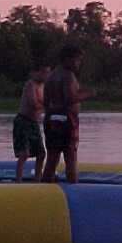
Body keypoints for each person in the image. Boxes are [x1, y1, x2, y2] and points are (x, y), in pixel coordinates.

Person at [42, 43, 96, 184]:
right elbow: (70, 98)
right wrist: (88, 94)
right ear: (67, 59)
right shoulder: (68, 75)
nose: (79, 63)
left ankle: (45, 188)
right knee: (70, 157)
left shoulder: (51, 76)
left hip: (51, 117)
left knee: (52, 157)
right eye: (77, 60)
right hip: (67, 119)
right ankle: (73, 189)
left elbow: (45, 101)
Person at [13, 64, 51, 183]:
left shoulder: (43, 86)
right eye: (43, 72)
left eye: (47, 73)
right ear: (35, 73)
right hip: (23, 121)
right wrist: (46, 105)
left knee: (41, 153)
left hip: (34, 122)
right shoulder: (30, 85)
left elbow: (45, 103)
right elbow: (33, 103)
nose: (46, 75)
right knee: (24, 153)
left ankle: (37, 180)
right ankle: (18, 181)